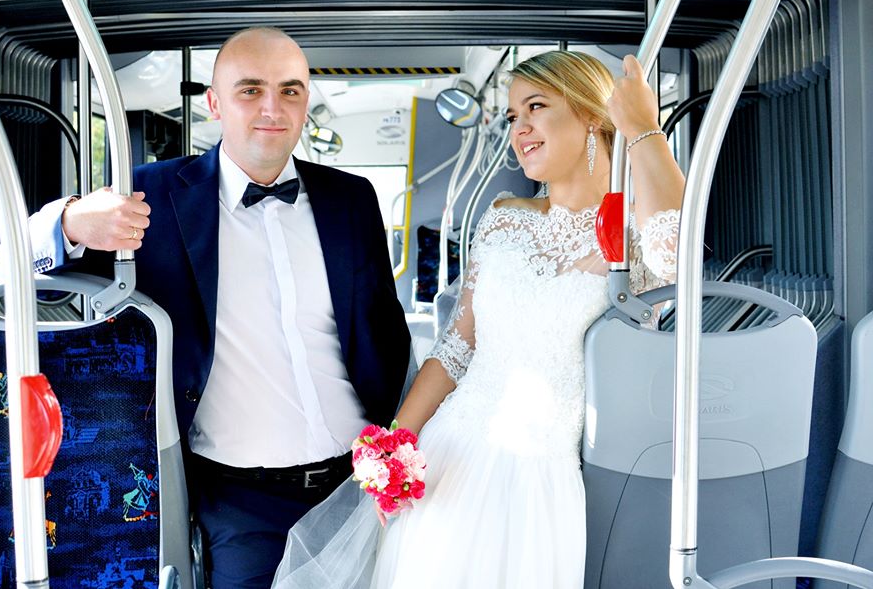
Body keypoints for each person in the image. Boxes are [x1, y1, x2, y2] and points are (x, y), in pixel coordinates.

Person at [0, 27, 411, 588]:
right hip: (241, 502)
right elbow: (7, 270)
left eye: (290, 90)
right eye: (250, 90)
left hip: (362, 483)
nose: (273, 108)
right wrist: (69, 221)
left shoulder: (352, 197)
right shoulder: (148, 197)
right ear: (214, 104)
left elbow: (384, 330)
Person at [272, 51, 683, 588]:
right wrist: (395, 446)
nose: (520, 128)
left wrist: (643, 127)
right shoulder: (503, 219)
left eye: (536, 107)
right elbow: (455, 349)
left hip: (540, 481)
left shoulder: (631, 237)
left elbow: (679, 254)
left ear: (591, 114)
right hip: (448, 461)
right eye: (513, 116)